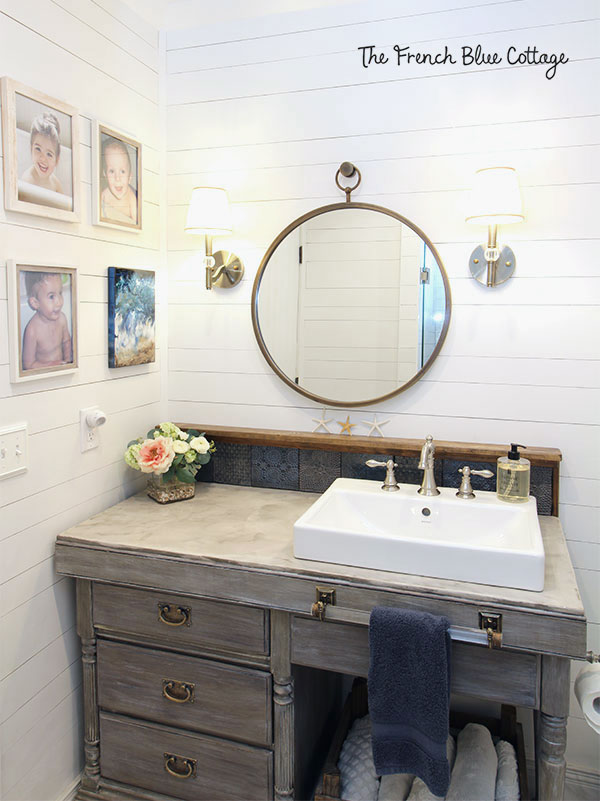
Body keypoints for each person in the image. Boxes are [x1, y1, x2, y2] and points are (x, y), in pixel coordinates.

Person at [22, 272, 72, 370]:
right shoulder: (32, 330)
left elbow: (67, 342)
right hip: (43, 377)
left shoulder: (62, 319)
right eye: (51, 296)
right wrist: (51, 365)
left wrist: (68, 361)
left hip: (62, 371)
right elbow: (28, 365)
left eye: (60, 293)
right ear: (35, 303)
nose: (59, 302)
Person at [21, 112, 64, 194]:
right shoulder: (27, 180)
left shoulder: (56, 184)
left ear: (57, 160)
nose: (43, 159)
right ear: (31, 149)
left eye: (49, 154)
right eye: (38, 149)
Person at [101, 137, 137, 223]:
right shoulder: (104, 195)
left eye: (122, 171)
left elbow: (137, 223)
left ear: (130, 177)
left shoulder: (131, 198)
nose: (117, 178)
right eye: (112, 171)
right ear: (105, 175)